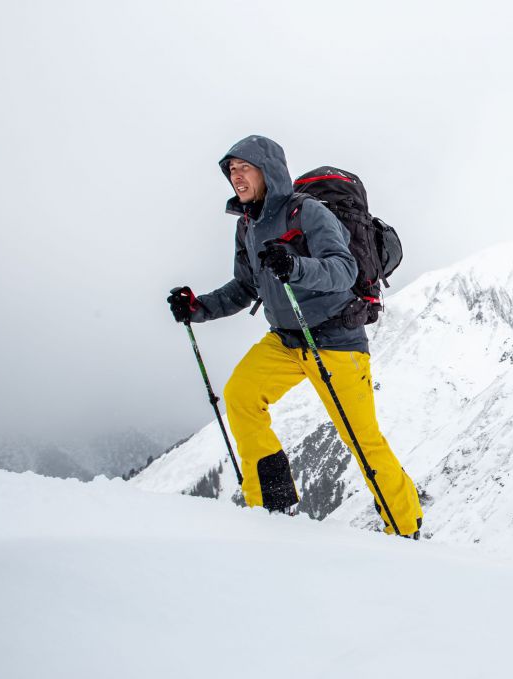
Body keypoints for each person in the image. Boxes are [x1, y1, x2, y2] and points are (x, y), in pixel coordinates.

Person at [167, 135, 423, 537]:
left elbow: (344, 271)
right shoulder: (247, 226)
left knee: (360, 439)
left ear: (267, 170)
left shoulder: (309, 213)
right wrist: (196, 308)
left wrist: (296, 266)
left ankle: (406, 526)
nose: (236, 177)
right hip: (286, 340)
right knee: (241, 396)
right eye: (231, 170)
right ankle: (271, 504)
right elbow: (245, 288)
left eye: (244, 168)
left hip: (337, 339)